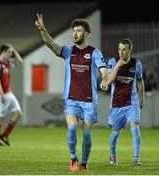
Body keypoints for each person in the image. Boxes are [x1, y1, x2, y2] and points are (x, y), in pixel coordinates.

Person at [35, 13, 108, 171]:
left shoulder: (94, 53)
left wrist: (104, 78)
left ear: (86, 33)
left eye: (79, 30)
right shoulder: (68, 51)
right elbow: (51, 44)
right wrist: (43, 30)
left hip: (89, 101)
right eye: (73, 30)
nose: (75, 33)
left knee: (87, 134)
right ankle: (73, 157)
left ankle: (84, 163)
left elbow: (103, 69)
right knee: (72, 128)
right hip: (71, 99)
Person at [106, 38, 144, 166]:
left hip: (131, 102)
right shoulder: (112, 62)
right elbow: (108, 81)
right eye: (119, 49)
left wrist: (141, 98)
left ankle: (136, 158)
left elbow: (140, 80)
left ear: (130, 50)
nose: (121, 52)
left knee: (135, 129)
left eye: (124, 50)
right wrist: (118, 65)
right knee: (115, 133)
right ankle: (112, 156)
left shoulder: (136, 63)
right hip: (116, 103)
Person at [0, 44, 23, 146]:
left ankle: (4, 135)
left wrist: (13, 48)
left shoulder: (7, 62)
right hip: (1, 94)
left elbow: (20, 61)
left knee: (18, 114)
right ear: (3, 52)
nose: (11, 54)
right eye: (9, 52)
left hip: (9, 93)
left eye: (11, 52)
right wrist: (1, 94)